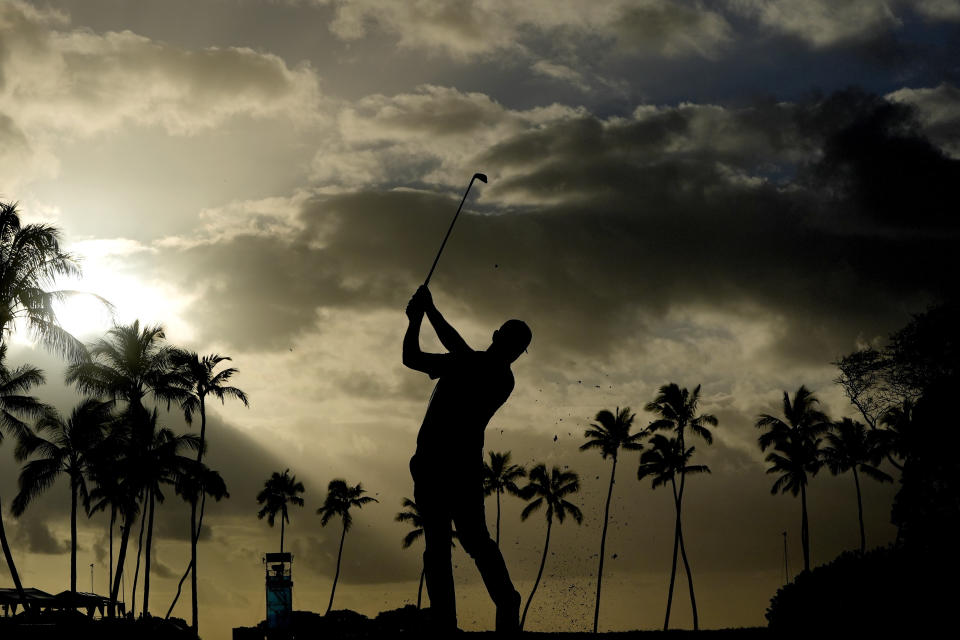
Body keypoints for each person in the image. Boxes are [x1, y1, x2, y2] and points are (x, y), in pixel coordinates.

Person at [402, 285, 531, 633]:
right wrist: (415, 320)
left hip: (460, 470)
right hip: (431, 465)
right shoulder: (464, 361)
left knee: (473, 541)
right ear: (498, 337)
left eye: (515, 346)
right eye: (509, 341)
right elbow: (411, 358)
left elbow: (455, 346)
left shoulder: (499, 377)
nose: (510, 348)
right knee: (437, 546)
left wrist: (428, 309)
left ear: (517, 353)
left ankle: (506, 601)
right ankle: (445, 622)